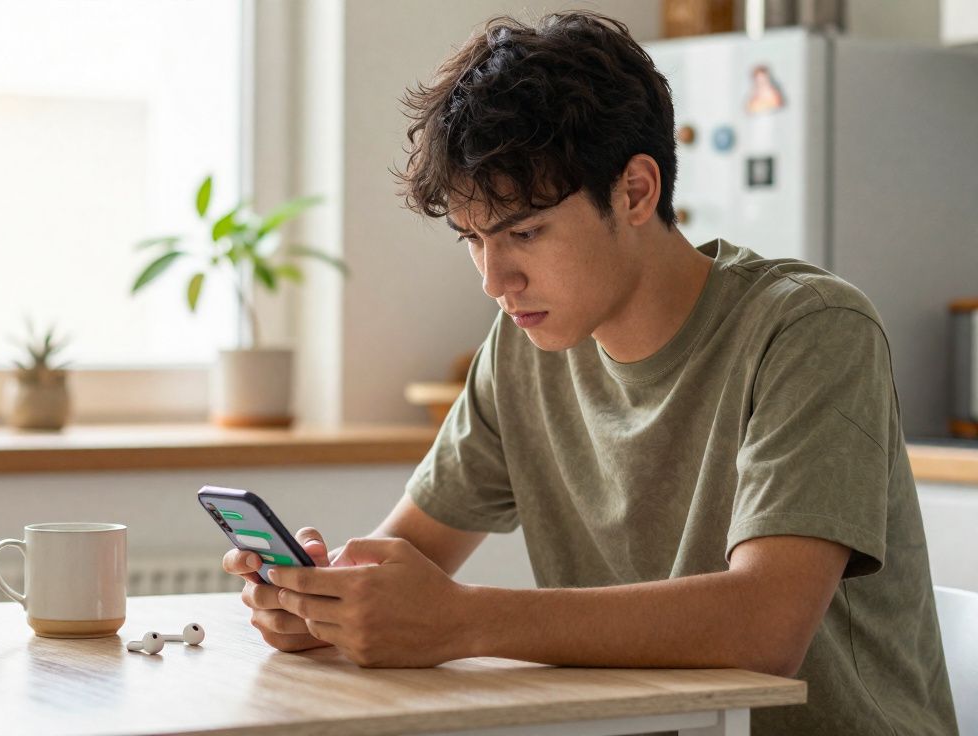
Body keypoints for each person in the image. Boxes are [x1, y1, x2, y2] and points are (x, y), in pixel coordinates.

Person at [222, 11, 957, 735]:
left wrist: (463, 619)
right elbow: (405, 557)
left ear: (635, 191)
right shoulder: (521, 351)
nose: (494, 280)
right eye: (472, 239)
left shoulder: (810, 328)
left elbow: (765, 627)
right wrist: (326, 604)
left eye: (524, 232)